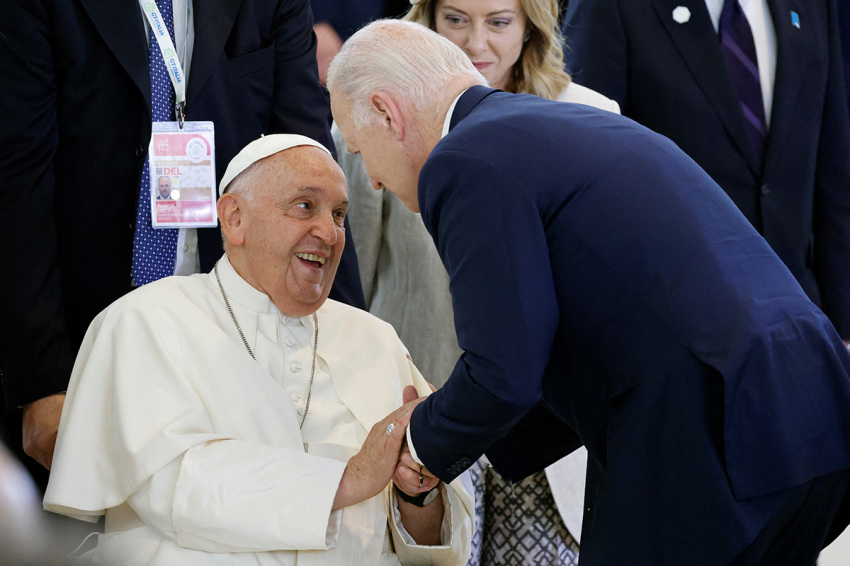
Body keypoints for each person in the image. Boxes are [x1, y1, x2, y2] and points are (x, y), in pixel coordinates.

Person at [328, 20, 850, 565]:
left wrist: (417, 443)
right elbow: (566, 337)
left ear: (389, 113)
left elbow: (505, 370)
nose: (375, 183)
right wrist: (470, 441)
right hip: (807, 410)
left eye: (361, 154)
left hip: (709, 441)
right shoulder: (567, 123)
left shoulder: (462, 161)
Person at [43, 134, 473, 565]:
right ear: (234, 219)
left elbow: (433, 549)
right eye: (305, 206)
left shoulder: (376, 339)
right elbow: (172, 487)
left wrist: (417, 493)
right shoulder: (147, 320)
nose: (328, 231)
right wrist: (350, 478)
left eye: (339, 214)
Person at [0, 0, 365, 481]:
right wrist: (42, 382)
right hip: (85, 336)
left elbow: (312, 168)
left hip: (239, 335)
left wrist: (345, 352)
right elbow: (19, 181)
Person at [337, 1, 617, 562]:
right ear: (430, 20)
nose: (476, 41)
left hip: (542, 424)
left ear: (529, 26)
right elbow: (354, 268)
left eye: (498, 21)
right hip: (424, 401)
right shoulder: (378, 118)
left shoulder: (588, 114)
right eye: (457, 19)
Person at [561, 0, 850, 350]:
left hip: (800, 320)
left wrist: (842, 323)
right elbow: (586, 173)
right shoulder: (611, 7)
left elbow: (833, 166)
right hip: (674, 331)